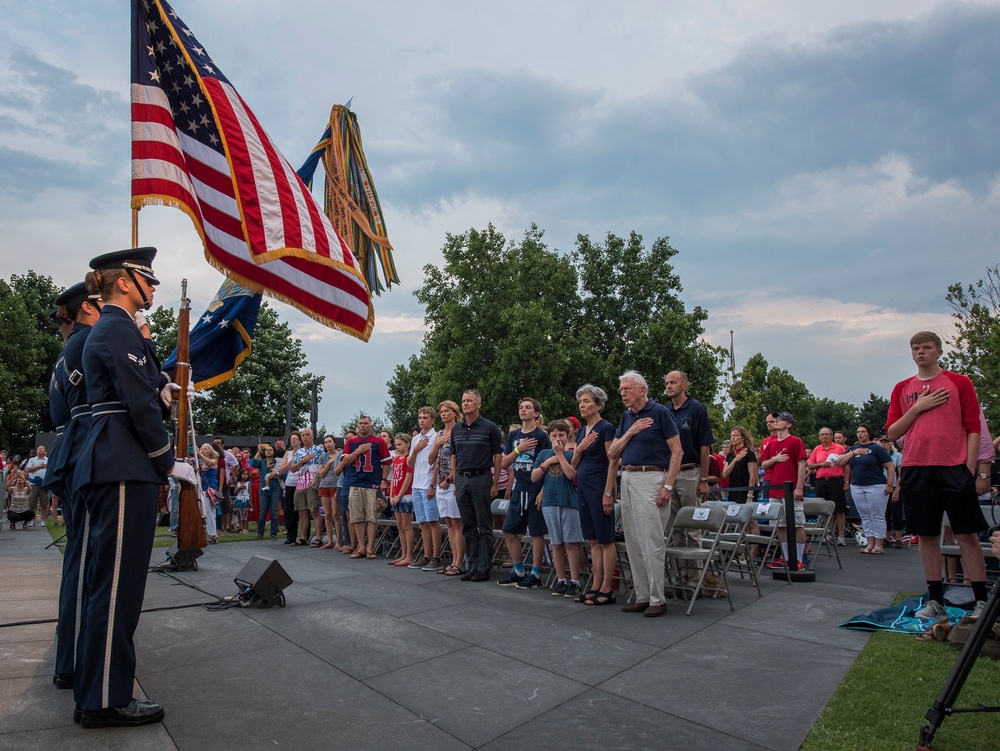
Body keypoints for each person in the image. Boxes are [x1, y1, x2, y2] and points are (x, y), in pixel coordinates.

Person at [73, 246, 193, 728]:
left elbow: (142, 392)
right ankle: (104, 698)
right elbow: (137, 405)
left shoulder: (118, 330)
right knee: (118, 588)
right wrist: (167, 460)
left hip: (119, 459)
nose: (154, 287)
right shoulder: (118, 327)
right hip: (122, 462)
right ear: (124, 282)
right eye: (148, 278)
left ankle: (100, 690)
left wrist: (159, 389)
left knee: (114, 585)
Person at [886, 331, 990, 618]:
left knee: (967, 533)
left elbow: (973, 427)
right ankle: (935, 600)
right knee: (927, 534)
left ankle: (981, 600)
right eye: (916, 348)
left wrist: (970, 468)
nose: (921, 352)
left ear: (938, 351)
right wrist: (918, 407)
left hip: (954, 468)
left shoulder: (959, 382)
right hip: (917, 468)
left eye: (927, 347)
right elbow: (893, 432)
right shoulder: (902, 388)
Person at [45, 280, 102, 690]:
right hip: (83, 450)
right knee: (83, 562)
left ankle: (70, 651)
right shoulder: (83, 344)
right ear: (86, 308)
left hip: (71, 451)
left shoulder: (70, 350)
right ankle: (73, 660)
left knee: (79, 559)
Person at [607, 371, 682, 617]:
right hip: (627, 476)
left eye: (627, 389)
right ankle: (641, 595)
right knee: (633, 540)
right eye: (621, 390)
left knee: (651, 540)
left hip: (652, 476)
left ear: (641, 389)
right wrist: (631, 432)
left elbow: (677, 451)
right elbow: (612, 453)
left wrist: (668, 486)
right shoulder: (626, 417)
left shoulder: (660, 412)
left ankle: (657, 599)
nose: (623, 394)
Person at [570, 384, 619, 606]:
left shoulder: (606, 428)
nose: (582, 405)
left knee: (605, 538)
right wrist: (578, 449)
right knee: (592, 539)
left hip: (600, 486)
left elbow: (613, 460)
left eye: (586, 401)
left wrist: (608, 491)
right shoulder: (581, 431)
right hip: (583, 486)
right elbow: (573, 463)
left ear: (598, 405)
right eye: (580, 401)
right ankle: (595, 584)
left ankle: (607, 588)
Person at [664, 371, 714, 585]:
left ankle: (695, 580)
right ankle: (679, 579)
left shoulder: (696, 409)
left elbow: (705, 446)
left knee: (692, 527)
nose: (668, 386)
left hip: (689, 471)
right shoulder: (664, 411)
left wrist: (703, 478)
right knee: (674, 527)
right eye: (666, 383)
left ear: (684, 385)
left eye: (673, 382)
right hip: (668, 473)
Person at [497, 398, 551, 589]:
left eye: (528, 407)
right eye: (521, 407)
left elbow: (549, 465)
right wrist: (519, 449)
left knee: (536, 533)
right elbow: (504, 463)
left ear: (536, 413)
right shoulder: (514, 435)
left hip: (535, 489)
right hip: (519, 489)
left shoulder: (542, 436)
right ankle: (519, 570)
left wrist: (543, 491)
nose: (523, 410)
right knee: (508, 530)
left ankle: (535, 574)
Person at [450, 390, 503, 582]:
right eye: (463, 400)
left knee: (484, 525)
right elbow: (453, 456)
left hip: (481, 477)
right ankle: (471, 565)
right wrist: (456, 480)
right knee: (468, 526)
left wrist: (495, 482)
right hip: (462, 479)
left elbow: (498, 457)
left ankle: (483, 567)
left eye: (470, 401)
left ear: (478, 404)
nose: (465, 404)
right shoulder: (457, 429)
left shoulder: (490, 427)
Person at [531, 419, 583, 598]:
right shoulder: (544, 454)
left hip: (568, 502)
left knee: (570, 543)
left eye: (561, 435)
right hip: (549, 503)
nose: (557, 438)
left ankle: (575, 581)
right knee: (557, 544)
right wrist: (548, 461)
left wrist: (559, 455)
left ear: (567, 435)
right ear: (549, 436)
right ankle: (561, 579)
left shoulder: (572, 453)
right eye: (554, 435)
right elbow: (534, 477)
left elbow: (571, 474)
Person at [758, 411, 808, 571]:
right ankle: (786, 558)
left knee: (797, 524)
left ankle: (799, 559)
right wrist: (774, 459)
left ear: (788, 424)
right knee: (780, 525)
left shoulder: (795, 441)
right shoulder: (771, 444)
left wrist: (799, 486)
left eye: (781, 420)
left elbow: (801, 464)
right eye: (776, 419)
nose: (776, 421)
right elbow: (763, 464)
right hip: (775, 489)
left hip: (791, 488)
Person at [339, 416, 392, 558]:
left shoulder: (378, 441)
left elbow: (387, 462)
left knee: (371, 517)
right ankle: (361, 547)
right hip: (355, 482)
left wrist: (383, 480)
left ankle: (370, 548)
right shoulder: (351, 442)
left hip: (372, 483)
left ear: (371, 426)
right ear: (357, 426)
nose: (363, 426)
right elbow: (344, 461)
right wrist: (358, 451)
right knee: (357, 517)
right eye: (360, 423)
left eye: (366, 424)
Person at [838, 424, 894, 554]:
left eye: (863, 431)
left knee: (877, 515)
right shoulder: (854, 448)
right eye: (858, 432)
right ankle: (870, 543)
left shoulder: (877, 449)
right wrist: (853, 453)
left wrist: (890, 485)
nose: (860, 434)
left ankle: (879, 544)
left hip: (875, 485)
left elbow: (890, 467)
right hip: (857, 485)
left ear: (869, 433)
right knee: (864, 515)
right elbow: (840, 461)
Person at [428, 401, 464, 575]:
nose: (443, 414)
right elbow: (431, 460)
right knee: (449, 522)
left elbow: (460, 459)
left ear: (455, 413)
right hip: (440, 482)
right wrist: (438, 443)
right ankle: (454, 560)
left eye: (447, 411)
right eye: (441, 411)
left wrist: (450, 479)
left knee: (457, 522)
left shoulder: (459, 430)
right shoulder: (440, 433)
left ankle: (460, 562)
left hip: (453, 482)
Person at [407, 406, 443, 571]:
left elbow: (437, 463)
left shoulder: (436, 436)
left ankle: (436, 556)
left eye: (425, 417)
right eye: (420, 417)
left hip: (428, 483)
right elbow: (410, 463)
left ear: (432, 420)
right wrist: (415, 450)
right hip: (416, 484)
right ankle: (426, 554)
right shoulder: (415, 439)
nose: (422, 420)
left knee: (432, 521)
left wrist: (432, 485)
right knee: (423, 522)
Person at [807, 427, 848, 545]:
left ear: (831, 436)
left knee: (839, 509)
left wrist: (846, 482)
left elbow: (846, 466)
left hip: (836, 480)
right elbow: (810, 466)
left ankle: (841, 535)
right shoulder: (817, 449)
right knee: (824, 510)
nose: (824, 436)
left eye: (826, 434)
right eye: (822, 435)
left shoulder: (839, 448)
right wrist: (821, 464)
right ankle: (829, 533)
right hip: (821, 480)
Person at [289, 428, 324, 546]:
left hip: (312, 483)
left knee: (314, 511)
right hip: (300, 483)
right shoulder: (299, 452)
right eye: (303, 435)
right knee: (301, 512)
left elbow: (323, 467)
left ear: (313, 436)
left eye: (308, 435)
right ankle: (303, 537)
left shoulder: (319, 451)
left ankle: (318, 538)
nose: (305, 437)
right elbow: (293, 469)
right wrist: (303, 460)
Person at [389, 433, 416, 566]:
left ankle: (409, 555)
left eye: (400, 444)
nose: (397, 447)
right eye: (396, 444)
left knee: (406, 525)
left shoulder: (408, 459)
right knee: (400, 526)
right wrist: (391, 494)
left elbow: (408, 478)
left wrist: (399, 495)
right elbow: (394, 477)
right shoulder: (396, 459)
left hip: (406, 495)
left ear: (407, 444)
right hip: (396, 495)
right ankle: (404, 553)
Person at [316, 435, 344, 550]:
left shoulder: (340, 455)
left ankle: (338, 540)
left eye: (330, 442)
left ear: (334, 443)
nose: (328, 444)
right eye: (326, 442)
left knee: (335, 514)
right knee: (327, 514)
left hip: (335, 486)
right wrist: (329, 463)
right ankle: (329, 540)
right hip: (324, 486)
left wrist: (334, 460)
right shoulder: (322, 457)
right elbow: (321, 474)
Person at [251, 444, 282, 540]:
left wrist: (276, 473)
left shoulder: (277, 462)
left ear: (274, 452)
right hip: (263, 489)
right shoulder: (262, 462)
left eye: (270, 450)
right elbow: (253, 463)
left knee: (274, 511)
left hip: (275, 488)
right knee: (263, 511)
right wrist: (259, 450)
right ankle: (260, 533)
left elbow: (283, 474)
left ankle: (273, 533)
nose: (268, 451)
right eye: (266, 450)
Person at [278, 431, 302, 544]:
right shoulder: (288, 453)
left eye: (295, 439)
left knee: (301, 510)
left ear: (300, 441)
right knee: (289, 510)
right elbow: (282, 469)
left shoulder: (303, 452)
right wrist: (291, 461)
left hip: (301, 482)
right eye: (292, 439)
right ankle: (291, 536)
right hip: (290, 483)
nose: (293, 441)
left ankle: (303, 536)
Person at [25, 445, 50, 526]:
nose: (40, 449)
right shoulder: (32, 460)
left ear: (45, 451)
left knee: (44, 503)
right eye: (39, 448)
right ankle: (33, 519)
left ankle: (42, 520)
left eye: (42, 448)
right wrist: (40, 466)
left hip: (44, 484)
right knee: (32, 502)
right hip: (34, 484)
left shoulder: (48, 460)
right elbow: (28, 469)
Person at [233, 469, 251, 534]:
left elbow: (249, 493)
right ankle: (241, 528)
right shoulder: (238, 483)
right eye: (244, 474)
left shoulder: (248, 483)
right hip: (239, 500)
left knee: (245, 514)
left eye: (246, 474)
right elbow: (235, 492)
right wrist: (239, 488)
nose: (245, 476)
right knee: (240, 515)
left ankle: (246, 528)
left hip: (246, 500)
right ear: (240, 475)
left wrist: (250, 502)